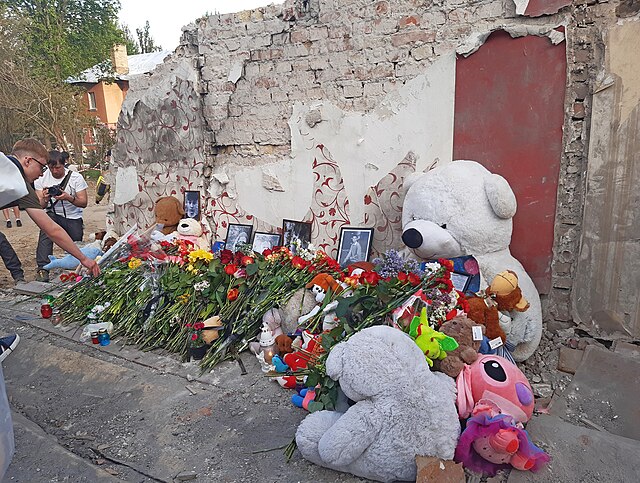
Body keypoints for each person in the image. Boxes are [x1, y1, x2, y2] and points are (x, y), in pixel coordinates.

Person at [0, 138, 99, 280]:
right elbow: (52, 230)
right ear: (28, 161)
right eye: (42, 167)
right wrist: (84, 259)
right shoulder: (21, 185)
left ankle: (19, 276)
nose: (42, 174)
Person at [33, 150, 89, 282]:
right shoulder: (41, 178)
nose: (54, 171)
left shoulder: (75, 178)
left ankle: (76, 269)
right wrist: (45, 198)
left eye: (58, 167)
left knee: (76, 244)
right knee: (45, 231)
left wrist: (68, 197)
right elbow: (40, 206)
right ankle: (43, 268)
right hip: (53, 213)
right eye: (51, 168)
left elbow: (83, 203)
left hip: (73, 216)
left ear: (64, 164)